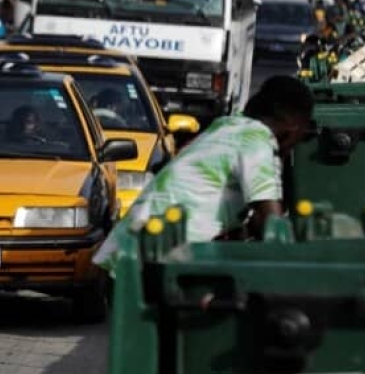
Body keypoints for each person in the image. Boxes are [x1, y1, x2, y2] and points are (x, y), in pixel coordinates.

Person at [94, 76, 315, 269]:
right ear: (291, 129)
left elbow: (245, 222)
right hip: (149, 262)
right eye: (301, 137)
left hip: (126, 254)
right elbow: (271, 223)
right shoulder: (256, 139)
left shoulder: (228, 126)